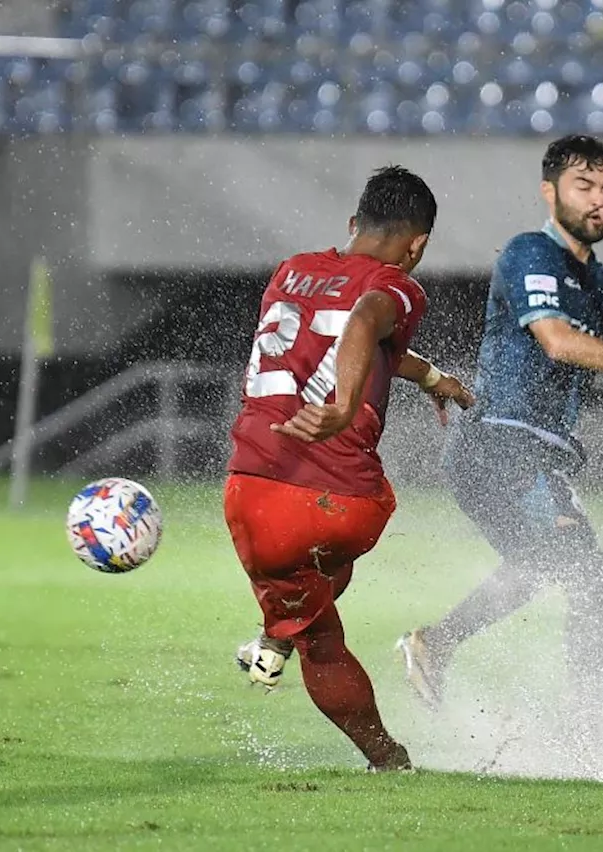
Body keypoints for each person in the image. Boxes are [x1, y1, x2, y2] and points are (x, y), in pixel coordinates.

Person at [397, 136, 603, 737]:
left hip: (533, 457)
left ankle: (436, 644)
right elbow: (558, 341)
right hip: (498, 445)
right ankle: (581, 730)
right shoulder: (528, 253)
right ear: (550, 193)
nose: (599, 201)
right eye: (583, 187)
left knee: (545, 569)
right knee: (592, 578)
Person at [225, 165, 474, 770]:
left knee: (312, 619)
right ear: (418, 244)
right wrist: (342, 408)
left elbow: (344, 331)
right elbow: (365, 319)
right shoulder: (400, 284)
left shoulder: (290, 271)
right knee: (319, 602)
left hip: (252, 494)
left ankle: (282, 636)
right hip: (346, 502)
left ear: (353, 222)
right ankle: (283, 635)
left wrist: (430, 376)